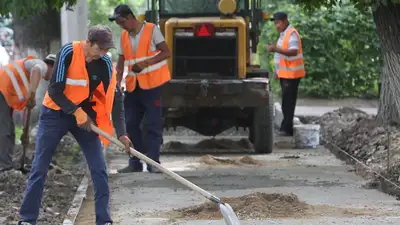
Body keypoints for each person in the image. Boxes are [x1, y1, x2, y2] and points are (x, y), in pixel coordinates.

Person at [17, 25, 133, 225]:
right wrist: (78, 112)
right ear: (89, 43)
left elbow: (116, 98)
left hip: (85, 118)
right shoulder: (68, 52)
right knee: (39, 167)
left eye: (107, 50)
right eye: (100, 49)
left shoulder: (104, 63)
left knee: (99, 168)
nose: (104, 54)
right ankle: (28, 219)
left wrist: (122, 133)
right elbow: (54, 90)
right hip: (54, 113)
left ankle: (104, 220)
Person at [109, 4, 171, 173]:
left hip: (152, 86)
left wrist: (146, 63)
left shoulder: (151, 30)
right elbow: (121, 63)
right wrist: (117, 82)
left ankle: (153, 163)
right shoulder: (123, 36)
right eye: (118, 24)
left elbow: (166, 52)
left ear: (130, 17)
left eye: (122, 22)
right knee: (130, 124)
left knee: (152, 124)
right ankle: (135, 162)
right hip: (132, 86)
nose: (121, 26)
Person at [0, 54, 56, 172]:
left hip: (5, 93)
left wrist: (25, 131)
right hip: (2, 90)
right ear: (52, 66)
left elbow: (27, 108)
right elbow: (36, 70)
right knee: (4, 131)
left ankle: (7, 165)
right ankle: (5, 167)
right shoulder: (41, 66)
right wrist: (32, 95)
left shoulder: (32, 78)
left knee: (10, 131)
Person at [265, 12, 305, 136]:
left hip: (291, 74)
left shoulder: (291, 33)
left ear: (285, 21)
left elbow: (293, 52)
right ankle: (285, 127)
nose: (276, 25)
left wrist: (275, 49)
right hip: (285, 73)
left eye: (278, 22)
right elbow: (281, 56)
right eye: (275, 23)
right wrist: (278, 71)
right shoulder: (283, 34)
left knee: (288, 103)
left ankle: (287, 129)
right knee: (286, 102)